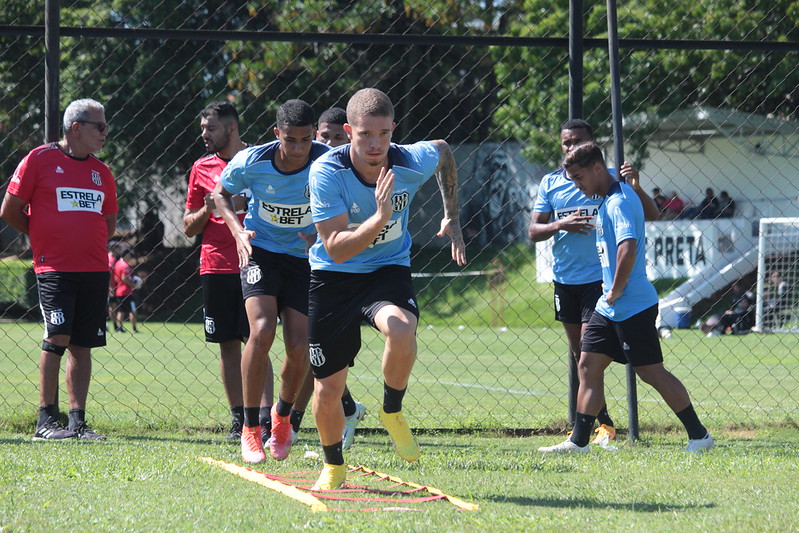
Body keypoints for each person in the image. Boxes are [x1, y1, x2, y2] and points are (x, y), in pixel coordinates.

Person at [307, 88, 466, 490]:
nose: (375, 144)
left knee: (400, 328)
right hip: (334, 276)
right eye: (365, 135)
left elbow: (444, 151)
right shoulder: (326, 172)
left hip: (386, 268)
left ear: (393, 129)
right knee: (328, 388)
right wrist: (380, 217)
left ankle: (391, 411)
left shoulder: (410, 160)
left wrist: (452, 215)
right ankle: (334, 466)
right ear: (348, 132)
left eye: (383, 133)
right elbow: (335, 249)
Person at [538, 141, 714, 454]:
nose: (577, 186)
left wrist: (617, 289)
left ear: (596, 169)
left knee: (651, 372)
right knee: (587, 365)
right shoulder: (610, 195)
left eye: (579, 178)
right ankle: (578, 442)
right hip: (609, 307)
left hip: (631, 304)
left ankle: (699, 436)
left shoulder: (618, 202)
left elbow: (628, 248)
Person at [213, 99, 330, 464]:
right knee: (261, 330)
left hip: (304, 258)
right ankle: (250, 429)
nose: (297, 149)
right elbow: (219, 193)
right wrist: (237, 231)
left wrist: (325, 235)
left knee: (300, 346)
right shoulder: (252, 162)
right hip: (260, 251)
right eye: (290, 140)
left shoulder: (327, 161)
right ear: (276, 134)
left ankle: (281, 418)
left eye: (305, 140)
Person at [529, 119, 658, 446]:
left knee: (591, 352)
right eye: (565, 143)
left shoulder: (611, 177)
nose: (570, 148)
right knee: (580, 354)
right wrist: (561, 225)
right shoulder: (551, 183)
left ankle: (586, 433)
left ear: (591, 145)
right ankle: (602, 423)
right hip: (566, 280)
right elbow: (533, 231)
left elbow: (652, 215)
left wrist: (637, 187)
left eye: (577, 142)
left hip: (598, 282)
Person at [0, 98, 117, 440]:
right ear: (76, 127)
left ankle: (77, 423)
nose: (105, 132)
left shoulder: (102, 172)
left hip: (95, 269)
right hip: (54, 269)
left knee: (83, 344)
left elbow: (108, 224)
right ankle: (45, 420)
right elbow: (10, 209)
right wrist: (43, 235)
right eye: (100, 126)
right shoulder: (39, 159)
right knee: (57, 338)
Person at [183, 101, 274, 441]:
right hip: (216, 265)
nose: (203, 134)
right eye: (203, 128)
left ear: (231, 128)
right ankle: (240, 419)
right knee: (227, 344)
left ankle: (264, 418)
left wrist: (243, 206)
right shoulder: (201, 168)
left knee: (259, 338)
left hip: (255, 261)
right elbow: (188, 227)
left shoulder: (260, 159)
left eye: (210, 128)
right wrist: (210, 209)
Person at [289, 106, 367, 450]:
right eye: (326, 137)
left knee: (318, 350)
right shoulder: (307, 165)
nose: (332, 142)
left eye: (339, 136)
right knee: (310, 349)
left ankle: (294, 422)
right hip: (294, 263)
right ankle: (347, 409)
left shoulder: (346, 171)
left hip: (336, 270)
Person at [112, 248, 138, 333]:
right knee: (133, 310)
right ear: (126, 255)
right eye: (130, 256)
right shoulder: (125, 266)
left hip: (119, 291)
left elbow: (116, 278)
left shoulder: (117, 264)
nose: (130, 258)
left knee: (121, 310)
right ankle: (134, 328)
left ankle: (120, 328)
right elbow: (124, 278)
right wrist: (133, 285)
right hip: (127, 291)